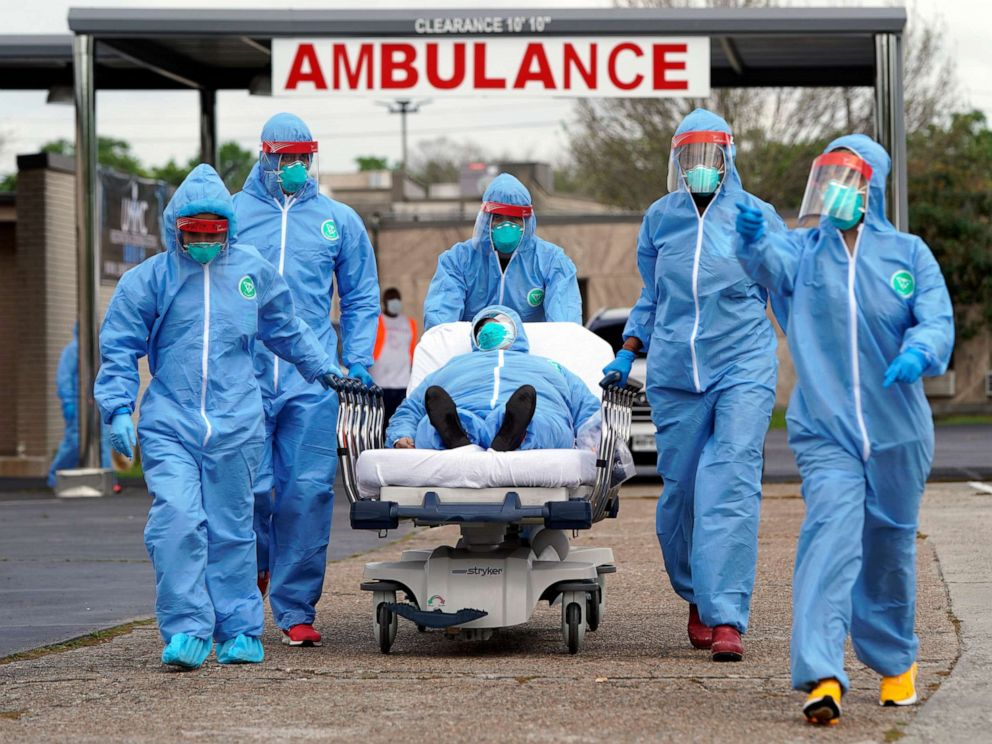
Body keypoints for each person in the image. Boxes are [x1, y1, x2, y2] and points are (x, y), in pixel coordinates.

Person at [734, 134, 953, 725]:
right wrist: (754, 240)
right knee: (830, 536)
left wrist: (921, 349)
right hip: (826, 429)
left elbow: (936, 318)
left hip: (899, 433)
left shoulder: (908, 255)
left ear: (871, 188)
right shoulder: (804, 251)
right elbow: (769, 263)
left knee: (887, 551)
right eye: (828, 179)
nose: (836, 191)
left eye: (849, 180)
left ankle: (894, 661)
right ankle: (822, 674)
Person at [94, 164, 340, 669]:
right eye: (195, 232)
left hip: (237, 420)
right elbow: (119, 346)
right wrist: (119, 406)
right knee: (178, 522)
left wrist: (322, 368)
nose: (205, 240)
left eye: (214, 231)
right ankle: (187, 629)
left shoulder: (251, 271)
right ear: (176, 229)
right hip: (171, 423)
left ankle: (239, 630)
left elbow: (286, 328)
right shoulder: (150, 280)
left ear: (228, 229)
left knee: (232, 528)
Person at [601, 108, 787, 662]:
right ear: (676, 161)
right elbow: (652, 297)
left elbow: (790, 289)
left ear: (728, 159)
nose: (701, 167)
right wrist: (627, 348)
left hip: (743, 365)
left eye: (711, 157)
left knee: (729, 482)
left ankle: (725, 614)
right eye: (690, 157)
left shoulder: (757, 216)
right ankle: (696, 594)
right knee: (680, 491)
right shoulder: (660, 219)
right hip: (676, 372)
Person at [233, 113, 380, 647]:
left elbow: (361, 296)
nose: (295, 167)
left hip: (312, 378)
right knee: (247, 489)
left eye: (303, 158)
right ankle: (251, 573)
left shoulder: (339, 220)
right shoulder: (231, 213)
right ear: (265, 156)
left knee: (308, 492)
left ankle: (296, 608)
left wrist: (357, 358)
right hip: (242, 375)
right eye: (285, 158)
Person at [387, 306, 599, 452]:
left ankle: (513, 430)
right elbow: (412, 407)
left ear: (516, 330)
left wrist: (594, 441)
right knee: (431, 423)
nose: (490, 328)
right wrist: (401, 435)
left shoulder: (550, 366)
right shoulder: (453, 366)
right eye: (484, 326)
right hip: (465, 407)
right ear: (475, 336)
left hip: (534, 411)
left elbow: (586, 405)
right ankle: (459, 430)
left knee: (543, 422)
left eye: (498, 323)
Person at [423, 173, 581, 330]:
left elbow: (566, 327)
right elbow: (440, 325)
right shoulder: (457, 261)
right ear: (485, 220)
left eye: (515, 218)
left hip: (531, 354)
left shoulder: (552, 262)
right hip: (473, 353)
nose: (506, 226)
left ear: (527, 221)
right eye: (498, 217)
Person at [47, 323, 113, 488]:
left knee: (103, 441)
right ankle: (55, 477)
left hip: (97, 403)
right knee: (74, 441)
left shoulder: (99, 350)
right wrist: (68, 402)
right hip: (78, 404)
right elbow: (64, 379)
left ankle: (106, 481)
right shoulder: (73, 350)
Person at [371, 287, 418, 424]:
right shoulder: (376, 321)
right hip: (380, 382)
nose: (394, 303)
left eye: (397, 299)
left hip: (403, 382)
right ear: (385, 302)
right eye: (391, 300)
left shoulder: (410, 323)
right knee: (380, 423)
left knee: (399, 421)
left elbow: (412, 350)